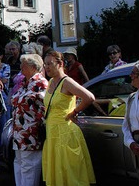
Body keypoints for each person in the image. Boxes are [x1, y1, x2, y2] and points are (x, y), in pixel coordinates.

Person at [42, 51, 96, 186]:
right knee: (58, 173)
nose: (46, 67)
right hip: (52, 133)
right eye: (45, 64)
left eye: (50, 64)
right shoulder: (51, 82)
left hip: (65, 133)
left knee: (69, 173)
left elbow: (89, 97)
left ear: (60, 64)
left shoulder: (67, 82)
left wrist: (75, 111)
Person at [11, 54, 48, 186]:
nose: (20, 67)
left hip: (31, 132)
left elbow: (45, 108)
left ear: (33, 67)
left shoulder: (40, 83)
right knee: (19, 163)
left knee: (29, 165)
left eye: (23, 64)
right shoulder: (25, 83)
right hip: (20, 131)